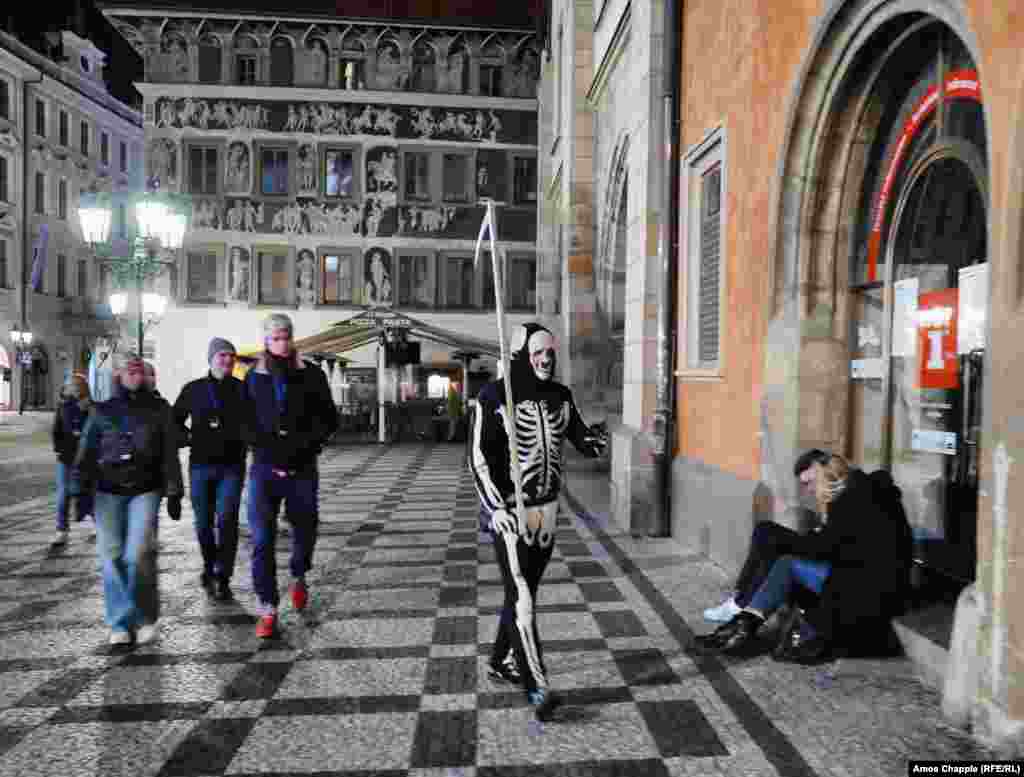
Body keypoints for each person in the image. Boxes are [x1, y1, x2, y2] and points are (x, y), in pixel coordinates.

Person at [469, 323, 607, 721]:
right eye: (538, 353)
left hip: (547, 513)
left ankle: (500, 660)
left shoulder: (560, 396)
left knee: (522, 592)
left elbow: (582, 439)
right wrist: (495, 507)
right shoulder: (494, 396)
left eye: (551, 352)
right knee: (523, 597)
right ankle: (537, 687)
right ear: (520, 356)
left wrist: (600, 437)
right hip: (510, 513)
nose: (547, 358)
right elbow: (478, 458)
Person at [692, 454, 912, 663]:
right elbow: (839, 545)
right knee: (777, 547)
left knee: (785, 560)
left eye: (812, 484)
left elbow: (827, 548)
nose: (810, 491)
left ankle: (741, 624)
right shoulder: (863, 494)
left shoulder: (851, 501)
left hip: (869, 589)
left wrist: (790, 541)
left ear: (827, 478)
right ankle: (742, 623)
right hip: (866, 578)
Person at [72, 353, 184, 646]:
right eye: (129, 371)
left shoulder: (159, 409)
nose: (135, 375)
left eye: (139, 370)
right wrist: (79, 491)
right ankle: (120, 621)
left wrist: (174, 491)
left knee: (138, 554)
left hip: (145, 488)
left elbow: (169, 454)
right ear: (118, 375)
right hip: (106, 490)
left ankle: (145, 617)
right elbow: (86, 450)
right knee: (111, 555)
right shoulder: (102, 410)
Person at [241, 314, 338, 638]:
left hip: (302, 469)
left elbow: (329, 417)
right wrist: (258, 440)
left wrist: (312, 441)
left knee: (305, 528)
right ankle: (267, 607)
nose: (281, 343)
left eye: (285, 336)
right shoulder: (254, 376)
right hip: (265, 470)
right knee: (262, 540)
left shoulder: (310, 375)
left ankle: (299, 573)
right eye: (274, 338)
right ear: (266, 342)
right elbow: (245, 420)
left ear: (291, 338)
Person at [703, 448, 831, 622]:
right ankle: (738, 597)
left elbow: (831, 542)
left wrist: (817, 532)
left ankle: (738, 604)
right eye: (804, 485)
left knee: (772, 543)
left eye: (809, 482)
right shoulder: (830, 492)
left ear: (820, 469)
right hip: (817, 544)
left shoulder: (841, 492)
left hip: (823, 554)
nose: (808, 490)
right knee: (765, 529)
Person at [173, 338, 246, 601]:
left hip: (232, 467)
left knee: (227, 520)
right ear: (211, 358)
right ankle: (208, 565)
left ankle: (222, 574)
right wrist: (189, 438)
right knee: (203, 523)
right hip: (201, 466)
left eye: (230, 356)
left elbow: (256, 422)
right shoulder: (193, 389)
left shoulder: (242, 389)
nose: (226, 360)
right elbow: (174, 422)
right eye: (222, 355)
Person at [51, 374, 96, 547]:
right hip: (66, 458)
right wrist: (59, 448)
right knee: (63, 494)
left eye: (77, 386)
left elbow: (95, 428)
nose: (73, 388)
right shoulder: (63, 406)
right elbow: (56, 430)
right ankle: (61, 530)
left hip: (85, 458)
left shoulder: (90, 406)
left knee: (87, 491)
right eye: (70, 385)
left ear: (83, 388)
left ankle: (95, 522)